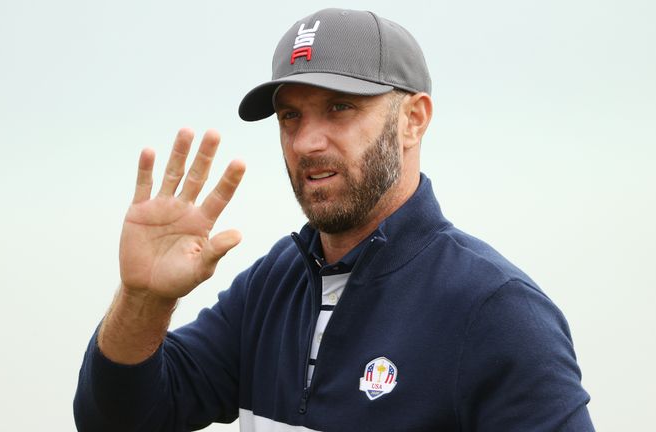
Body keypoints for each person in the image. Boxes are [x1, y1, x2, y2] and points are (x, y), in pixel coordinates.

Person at [74, 8, 594, 431]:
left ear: (413, 120)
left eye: (341, 108)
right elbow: (118, 421)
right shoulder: (272, 286)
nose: (307, 142)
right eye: (291, 116)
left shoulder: (496, 311)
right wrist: (144, 300)